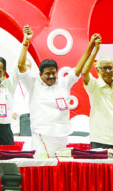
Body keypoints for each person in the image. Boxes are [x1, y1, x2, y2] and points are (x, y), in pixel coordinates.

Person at [19, 27, 99, 157]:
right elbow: (21, 66)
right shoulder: (33, 84)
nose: (51, 76)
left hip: (62, 135)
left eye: (53, 73)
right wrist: (26, 42)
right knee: (44, 169)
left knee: (58, 169)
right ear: (40, 74)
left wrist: (90, 46)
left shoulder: (63, 83)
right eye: (47, 74)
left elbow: (78, 68)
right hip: (42, 135)